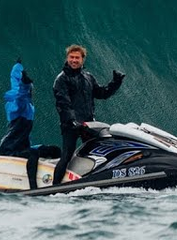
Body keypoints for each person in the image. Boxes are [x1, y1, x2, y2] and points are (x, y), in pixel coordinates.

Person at [51, 44, 125, 186]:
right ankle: (55, 187)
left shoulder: (88, 77)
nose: (74, 60)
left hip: (88, 124)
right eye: (71, 57)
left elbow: (102, 94)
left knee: (100, 152)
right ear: (67, 58)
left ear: (82, 59)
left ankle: (99, 180)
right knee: (66, 156)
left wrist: (116, 82)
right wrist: (72, 121)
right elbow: (63, 103)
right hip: (71, 126)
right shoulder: (62, 79)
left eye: (77, 58)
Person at [0, 59, 61, 190]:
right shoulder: (16, 105)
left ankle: (56, 177)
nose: (32, 92)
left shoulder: (28, 105)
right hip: (10, 149)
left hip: (23, 146)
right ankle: (33, 187)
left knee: (54, 150)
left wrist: (18, 67)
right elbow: (20, 95)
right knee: (33, 154)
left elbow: (15, 81)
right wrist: (25, 84)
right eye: (30, 90)